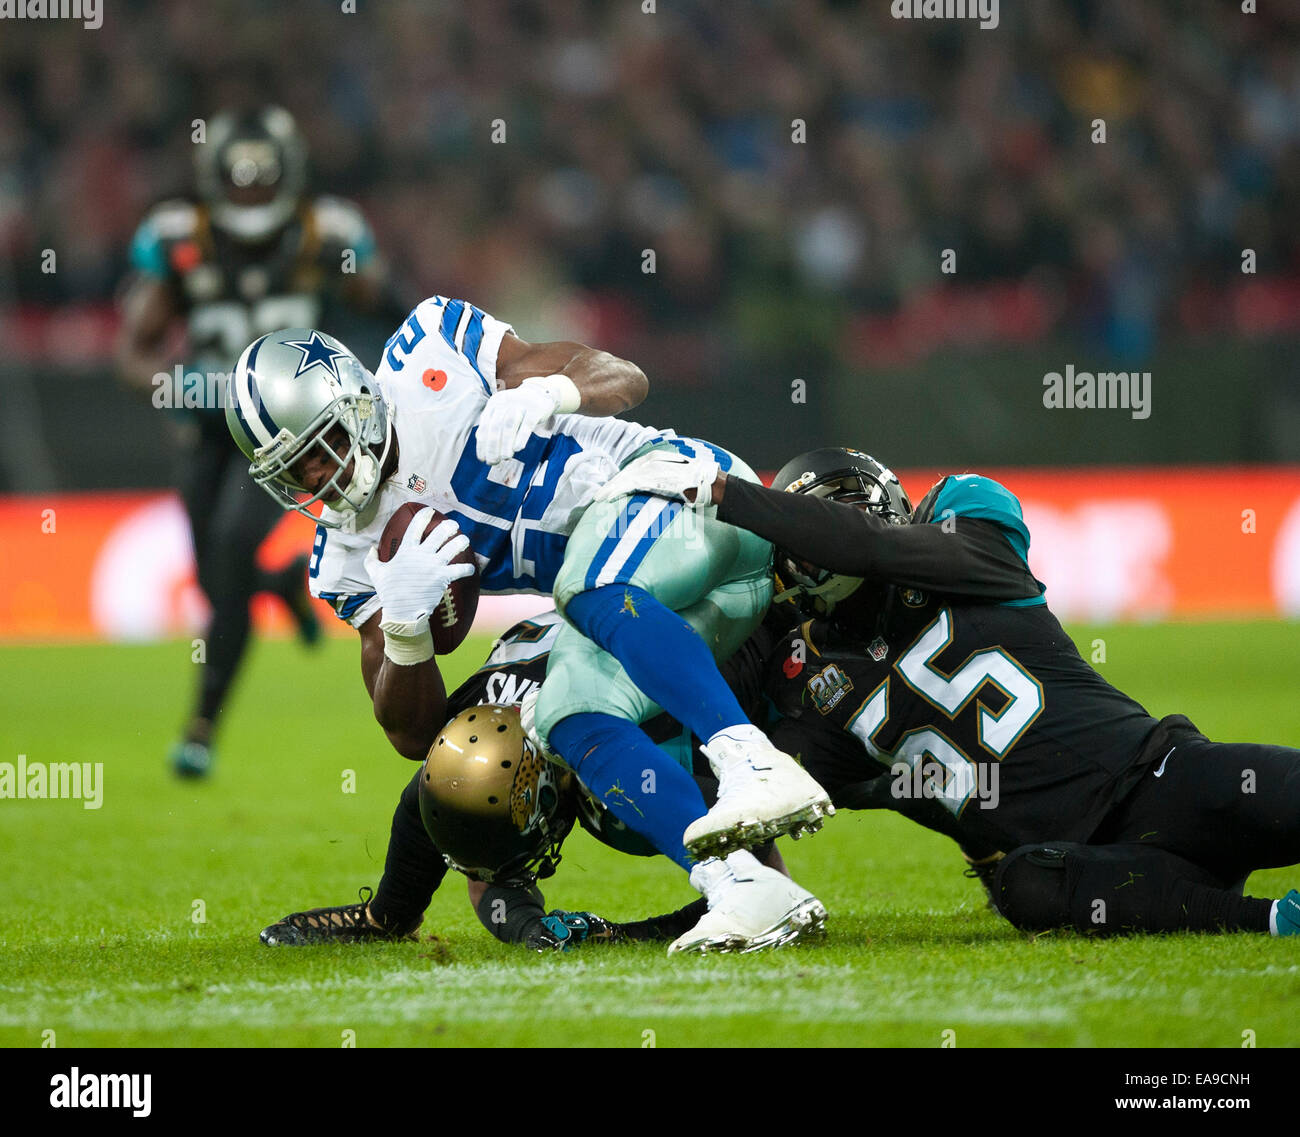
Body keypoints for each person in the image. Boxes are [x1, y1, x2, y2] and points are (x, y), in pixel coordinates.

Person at [223, 301, 831, 952]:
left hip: (688, 501)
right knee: (527, 727)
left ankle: (749, 761)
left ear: (360, 401)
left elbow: (623, 374)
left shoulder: (432, 349)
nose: (321, 477)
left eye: (324, 446)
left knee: (586, 584)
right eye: (297, 472)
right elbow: (412, 734)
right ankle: (740, 883)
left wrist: (552, 390)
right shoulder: (344, 555)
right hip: (643, 613)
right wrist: (404, 628)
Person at [597, 446, 1300, 938]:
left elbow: (871, 549)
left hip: (1157, 775)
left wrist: (727, 494)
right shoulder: (813, 682)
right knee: (1026, 887)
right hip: (1082, 862)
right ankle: (1272, 920)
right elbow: (744, 816)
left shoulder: (966, 545)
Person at [116, 105, 401, 778]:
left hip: (288, 433)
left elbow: (395, 306)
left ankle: (201, 727)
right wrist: (171, 386)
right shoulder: (181, 239)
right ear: (214, 177)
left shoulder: (323, 234)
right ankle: (280, 586)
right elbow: (134, 348)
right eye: (236, 178)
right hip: (208, 429)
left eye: (260, 177)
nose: (248, 190)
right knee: (221, 580)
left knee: (231, 544)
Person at [261, 613, 794, 953]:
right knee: (447, 802)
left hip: (743, 648)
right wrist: (528, 929)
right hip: (583, 660)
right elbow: (479, 860)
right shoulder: (470, 752)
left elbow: (760, 848)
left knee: (639, 812)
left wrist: (634, 934)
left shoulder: (611, 754)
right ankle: (386, 916)